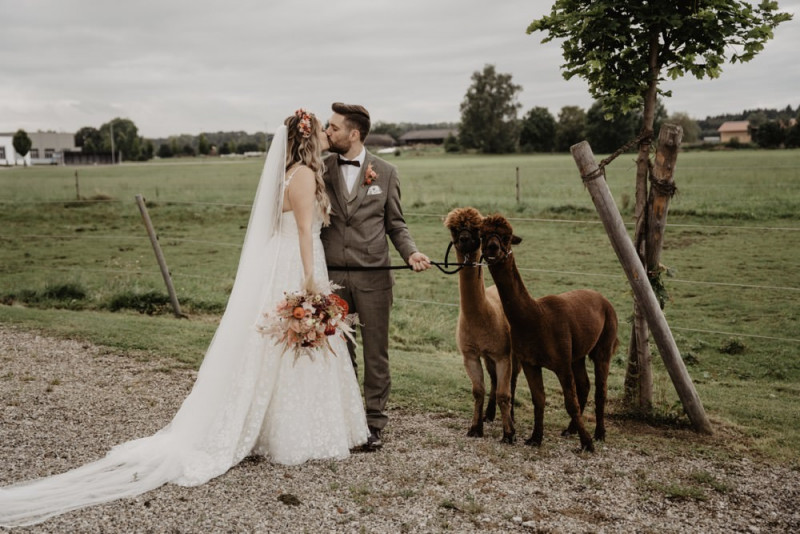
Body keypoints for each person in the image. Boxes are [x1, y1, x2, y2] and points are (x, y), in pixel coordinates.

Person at [0, 109, 368, 527]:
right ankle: (292, 433)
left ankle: (275, 424)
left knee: (275, 350)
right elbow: (304, 232)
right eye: (322, 129)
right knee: (291, 346)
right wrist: (309, 284)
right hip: (296, 265)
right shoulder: (302, 174)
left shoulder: (291, 173)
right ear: (307, 137)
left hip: (279, 263)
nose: (326, 133)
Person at [322, 102, 431, 451]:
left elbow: (395, 223)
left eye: (334, 128)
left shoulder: (386, 171)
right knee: (339, 351)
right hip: (332, 277)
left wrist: (411, 252)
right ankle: (347, 415)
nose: (328, 132)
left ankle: (373, 422)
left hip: (374, 278)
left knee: (375, 353)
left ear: (354, 134)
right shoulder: (321, 168)